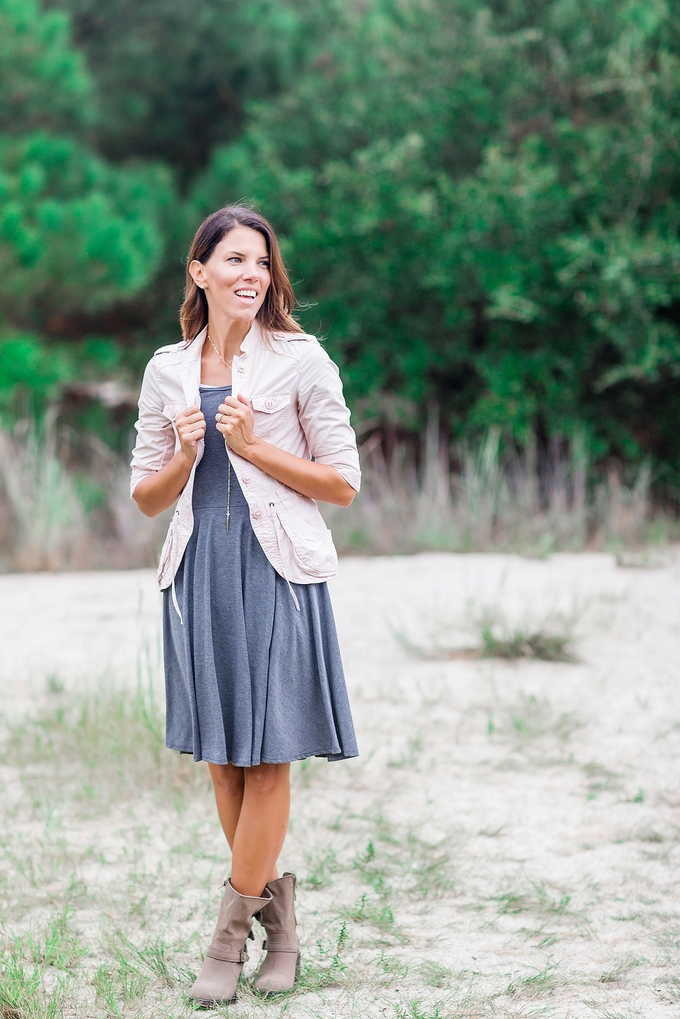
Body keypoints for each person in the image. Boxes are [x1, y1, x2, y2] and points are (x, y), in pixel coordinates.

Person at [129, 205, 360, 1005]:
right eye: (233, 259)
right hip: (198, 572)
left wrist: (256, 445)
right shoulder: (167, 369)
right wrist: (191, 451)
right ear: (200, 273)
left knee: (268, 757)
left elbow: (342, 481)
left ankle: (227, 942)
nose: (250, 273)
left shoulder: (301, 360)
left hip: (277, 571)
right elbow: (146, 497)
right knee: (224, 761)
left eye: (261, 260)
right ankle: (281, 920)